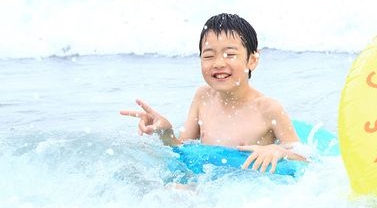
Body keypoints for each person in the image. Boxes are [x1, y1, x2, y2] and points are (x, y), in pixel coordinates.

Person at [121, 13, 304, 173]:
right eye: (209, 56)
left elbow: (305, 159)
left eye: (230, 54)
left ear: (252, 60)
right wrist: (166, 133)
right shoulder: (203, 97)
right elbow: (183, 152)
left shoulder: (268, 108)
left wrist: (278, 151)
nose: (218, 63)